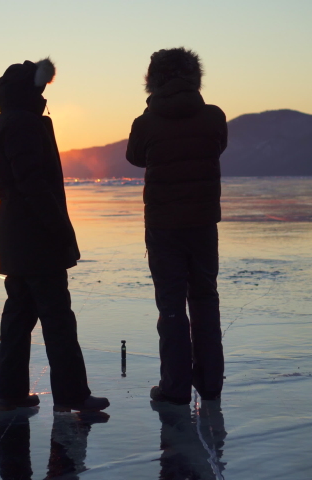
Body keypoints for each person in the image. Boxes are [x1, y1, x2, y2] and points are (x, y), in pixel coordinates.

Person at [0, 58, 109, 412]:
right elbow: (32, 182)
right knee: (57, 319)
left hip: (16, 233)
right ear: (32, 89)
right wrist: (56, 225)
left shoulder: (5, 120)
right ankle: (71, 395)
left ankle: (10, 394)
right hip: (34, 234)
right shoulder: (23, 122)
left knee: (19, 316)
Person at [126, 47, 228, 404]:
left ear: (153, 80)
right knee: (204, 299)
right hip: (202, 224)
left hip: (163, 226)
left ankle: (175, 386)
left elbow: (135, 157)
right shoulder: (214, 117)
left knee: (171, 306)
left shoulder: (147, 122)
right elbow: (217, 148)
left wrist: (151, 110)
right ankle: (210, 381)